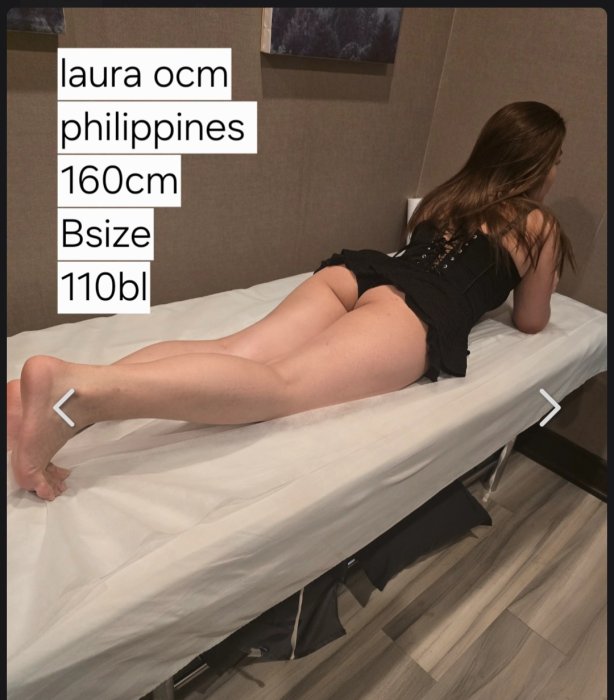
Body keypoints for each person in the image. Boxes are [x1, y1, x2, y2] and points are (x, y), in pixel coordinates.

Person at [7, 101, 574, 501]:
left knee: (231, 348)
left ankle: (47, 401)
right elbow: (531, 320)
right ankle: (76, 397)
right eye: (555, 159)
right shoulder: (538, 223)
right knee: (280, 385)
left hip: (357, 275)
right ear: (537, 162)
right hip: (411, 310)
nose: (555, 171)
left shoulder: (446, 198)